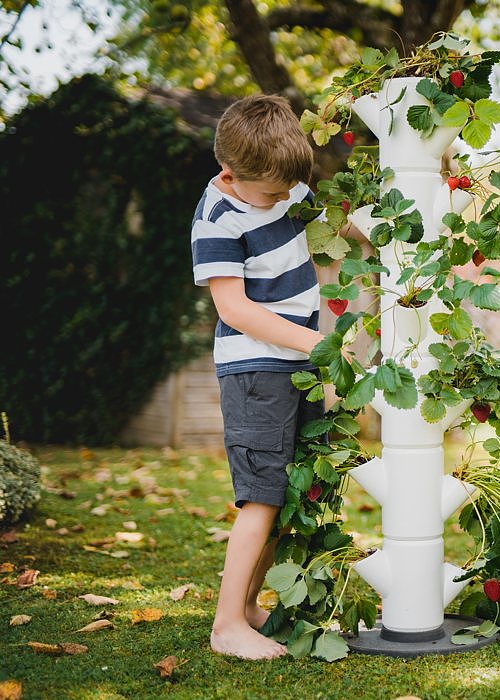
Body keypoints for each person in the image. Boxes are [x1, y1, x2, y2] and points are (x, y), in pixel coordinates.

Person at [191, 94, 326, 660]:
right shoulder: (215, 218)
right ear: (230, 174)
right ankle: (226, 625)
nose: (283, 201)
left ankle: (247, 606)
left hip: (296, 364)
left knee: (286, 492)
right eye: (271, 194)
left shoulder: (287, 184)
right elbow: (235, 310)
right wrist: (318, 344)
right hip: (255, 368)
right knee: (261, 497)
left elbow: (331, 222)